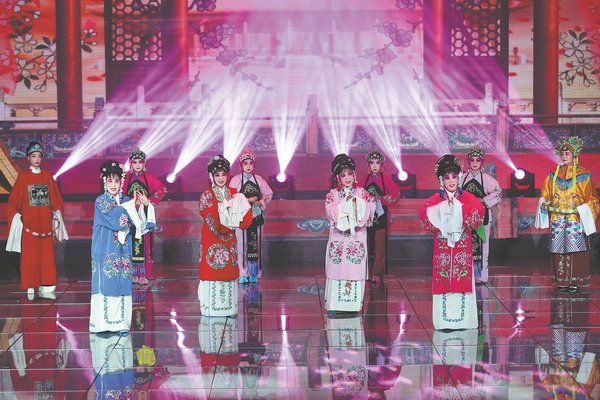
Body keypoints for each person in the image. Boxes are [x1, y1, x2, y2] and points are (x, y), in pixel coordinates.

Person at [419, 155, 484, 330]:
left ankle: (465, 322)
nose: (451, 181)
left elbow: (479, 211)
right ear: (441, 180)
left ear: (459, 177)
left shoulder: (467, 197)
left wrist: (459, 208)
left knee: (462, 277)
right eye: (447, 177)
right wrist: (442, 209)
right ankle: (443, 322)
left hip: (462, 247)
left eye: (454, 176)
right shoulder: (435, 199)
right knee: (443, 279)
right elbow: (424, 213)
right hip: (443, 249)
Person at [90, 160, 155, 333]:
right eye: (109, 180)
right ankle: (102, 324)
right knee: (107, 281)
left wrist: (146, 205)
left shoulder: (127, 201)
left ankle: (121, 324)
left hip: (123, 251)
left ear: (122, 182)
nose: (113, 184)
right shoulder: (101, 201)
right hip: (105, 250)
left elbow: (140, 222)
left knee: (123, 283)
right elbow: (118, 219)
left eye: (117, 180)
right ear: (104, 182)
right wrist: (133, 206)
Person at [536, 136, 599, 293]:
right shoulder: (554, 174)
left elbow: (592, 198)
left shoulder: (583, 175)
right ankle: (562, 281)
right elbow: (546, 192)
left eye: (567, 154)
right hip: (558, 218)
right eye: (562, 154)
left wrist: (584, 210)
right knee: (558, 249)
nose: (564, 157)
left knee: (575, 249)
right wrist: (543, 201)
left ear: (574, 155)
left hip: (574, 218)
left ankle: (575, 281)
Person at [6, 141, 67, 300]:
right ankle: (30, 283)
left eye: (39, 156)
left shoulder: (47, 176)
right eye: (33, 156)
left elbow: (56, 199)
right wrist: (16, 217)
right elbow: (13, 203)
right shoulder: (23, 178)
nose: (37, 159)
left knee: (47, 257)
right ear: (28, 158)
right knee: (30, 258)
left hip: (45, 226)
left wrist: (57, 211)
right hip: (29, 227)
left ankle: (47, 283)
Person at [198, 155, 252, 317]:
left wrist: (236, 217)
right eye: (217, 175)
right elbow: (208, 216)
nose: (221, 178)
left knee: (229, 270)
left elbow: (244, 215)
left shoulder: (234, 193)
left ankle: (229, 308)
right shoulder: (206, 195)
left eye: (223, 174)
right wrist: (226, 219)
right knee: (213, 269)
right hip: (212, 238)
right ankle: (211, 309)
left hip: (229, 240)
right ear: (211, 176)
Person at [324, 154, 375, 313]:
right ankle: (335, 304)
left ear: (354, 175)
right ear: (338, 178)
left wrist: (358, 207)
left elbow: (371, 207)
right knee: (337, 268)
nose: (347, 178)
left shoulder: (362, 193)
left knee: (355, 267)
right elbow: (329, 211)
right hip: (338, 239)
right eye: (343, 175)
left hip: (357, 237)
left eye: (350, 174)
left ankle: (353, 305)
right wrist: (343, 207)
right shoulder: (332, 194)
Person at [122, 147, 167, 285]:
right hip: (130, 215)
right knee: (129, 244)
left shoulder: (149, 178)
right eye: (134, 162)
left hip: (144, 216)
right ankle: (132, 273)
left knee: (146, 244)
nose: (137, 165)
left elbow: (163, 189)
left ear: (144, 163)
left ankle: (144, 274)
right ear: (130, 163)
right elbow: (120, 195)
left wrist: (149, 201)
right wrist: (130, 201)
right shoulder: (126, 178)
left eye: (140, 162)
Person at [229, 146, 273, 284]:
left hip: (255, 217)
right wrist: (247, 201)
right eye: (245, 163)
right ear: (241, 165)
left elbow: (269, 193)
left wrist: (260, 203)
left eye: (250, 163)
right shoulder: (236, 180)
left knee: (255, 246)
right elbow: (231, 197)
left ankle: (254, 273)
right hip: (241, 217)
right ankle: (242, 273)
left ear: (254, 165)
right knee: (241, 246)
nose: (248, 166)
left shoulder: (259, 180)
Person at [461, 147, 502, 284]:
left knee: (483, 244)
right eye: (472, 160)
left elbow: (498, 193)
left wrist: (483, 200)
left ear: (482, 162)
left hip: (482, 216)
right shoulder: (462, 178)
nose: (474, 163)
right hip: (465, 217)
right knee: (465, 245)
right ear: (468, 162)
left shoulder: (486, 178)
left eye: (477, 160)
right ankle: (466, 275)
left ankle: (481, 276)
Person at [360, 150, 399, 284]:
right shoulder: (364, 180)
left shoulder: (386, 180)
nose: (375, 166)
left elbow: (395, 194)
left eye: (377, 163)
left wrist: (380, 199)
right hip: (367, 218)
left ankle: (377, 273)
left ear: (381, 165)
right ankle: (365, 272)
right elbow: (358, 195)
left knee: (379, 248)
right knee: (365, 246)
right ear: (368, 165)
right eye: (372, 163)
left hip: (382, 218)